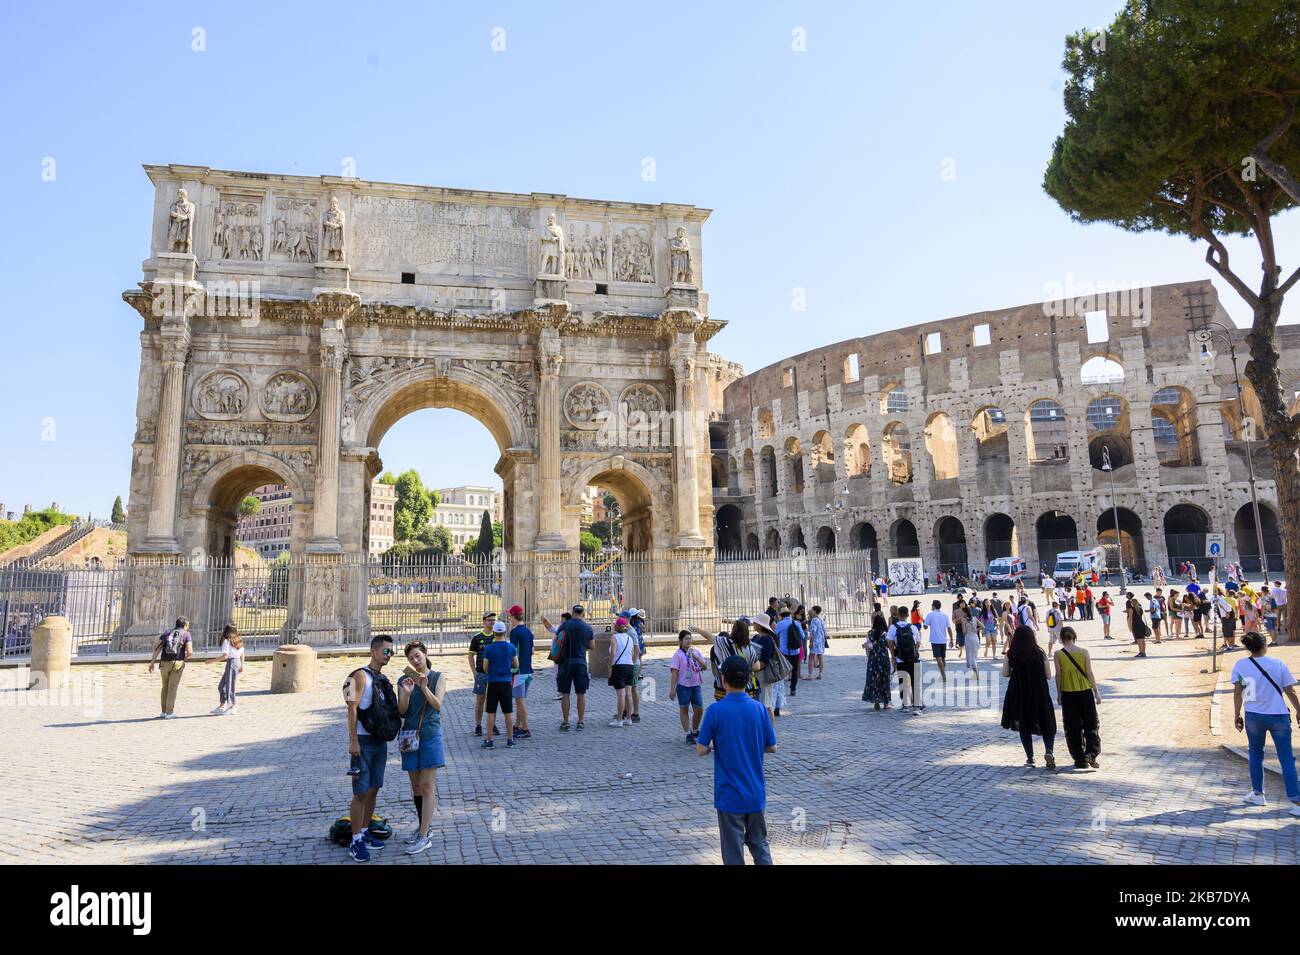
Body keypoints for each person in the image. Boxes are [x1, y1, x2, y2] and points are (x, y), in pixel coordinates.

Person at [696, 655, 778, 865]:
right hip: (755, 792)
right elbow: (772, 747)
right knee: (759, 844)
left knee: (733, 852)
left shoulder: (715, 711)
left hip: (729, 794)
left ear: (723, 680)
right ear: (749, 679)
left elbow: (701, 749)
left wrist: (718, 743)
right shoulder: (759, 709)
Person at [1232, 630, 1300, 814]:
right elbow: (1290, 691)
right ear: (1264, 645)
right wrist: (1299, 711)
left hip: (1253, 714)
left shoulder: (1240, 665)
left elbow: (1238, 692)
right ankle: (1296, 801)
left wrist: (1237, 714)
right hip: (1278, 715)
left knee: (1255, 754)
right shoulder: (1277, 663)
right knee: (1286, 757)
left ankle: (1258, 794)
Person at [344, 634, 399, 863]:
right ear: (374, 651)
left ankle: (365, 831)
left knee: (374, 787)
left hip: (379, 741)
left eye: (392, 651)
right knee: (360, 792)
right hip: (363, 742)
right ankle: (355, 840)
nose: (390, 655)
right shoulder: (360, 676)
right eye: (386, 651)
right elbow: (351, 709)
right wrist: (353, 740)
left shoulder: (383, 678)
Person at [396, 640, 446, 855]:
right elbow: (402, 712)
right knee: (416, 788)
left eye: (417, 656)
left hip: (430, 735)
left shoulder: (437, 677)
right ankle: (424, 828)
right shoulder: (404, 679)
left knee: (426, 786)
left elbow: (437, 705)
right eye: (411, 658)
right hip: (409, 737)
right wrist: (406, 693)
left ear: (425, 654)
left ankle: (424, 836)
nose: (415, 661)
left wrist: (424, 688)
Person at [1000, 625, 1057, 770]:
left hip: (1019, 693)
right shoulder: (1040, 653)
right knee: (1047, 723)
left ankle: (1030, 758)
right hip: (1039, 692)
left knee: (1023, 725)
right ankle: (1049, 751)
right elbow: (1049, 675)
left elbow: (1005, 674)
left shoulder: (1011, 654)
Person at [1053, 627, 1101, 769]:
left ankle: (1079, 759)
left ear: (1062, 638)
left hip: (1068, 693)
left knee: (1072, 727)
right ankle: (1091, 754)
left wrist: (1059, 693)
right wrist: (1096, 691)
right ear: (1075, 636)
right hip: (1085, 691)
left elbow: (1058, 675)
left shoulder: (1058, 654)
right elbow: (1089, 673)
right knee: (1091, 724)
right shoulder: (1084, 652)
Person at [554, 604, 594, 731]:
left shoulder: (564, 625)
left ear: (572, 612)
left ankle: (565, 722)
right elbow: (592, 646)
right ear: (582, 613)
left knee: (565, 693)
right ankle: (580, 721)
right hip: (581, 662)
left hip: (565, 663)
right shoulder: (587, 628)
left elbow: (557, 641)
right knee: (581, 693)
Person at [481, 620, 518, 749]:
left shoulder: (489, 648)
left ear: (494, 632)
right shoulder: (511, 647)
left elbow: (485, 667)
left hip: (493, 682)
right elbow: (516, 664)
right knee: (508, 712)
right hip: (506, 682)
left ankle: (490, 740)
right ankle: (510, 739)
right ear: (505, 632)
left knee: (491, 712)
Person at [148, 616, 192, 719]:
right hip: (177, 663)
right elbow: (190, 651)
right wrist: (184, 658)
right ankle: (170, 712)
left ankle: (163, 711)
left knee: (165, 687)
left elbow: (156, 647)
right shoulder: (186, 634)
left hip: (164, 663)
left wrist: (152, 662)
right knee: (173, 687)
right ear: (185, 625)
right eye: (187, 626)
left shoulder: (167, 632)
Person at [668, 629, 709, 742]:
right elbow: (674, 672)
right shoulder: (678, 655)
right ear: (680, 641)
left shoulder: (696, 652)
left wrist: (695, 658)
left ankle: (695, 730)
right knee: (684, 708)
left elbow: (705, 667)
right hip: (683, 686)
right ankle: (688, 733)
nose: (688, 641)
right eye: (686, 639)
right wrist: (672, 689)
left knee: (699, 709)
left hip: (696, 685)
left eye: (690, 638)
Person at [506, 605, 534, 739]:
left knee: (519, 701)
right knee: (520, 700)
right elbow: (532, 650)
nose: (509, 618)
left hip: (519, 671)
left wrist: (511, 669)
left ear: (513, 616)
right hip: (528, 670)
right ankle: (517, 725)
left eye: (509, 616)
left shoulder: (514, 632)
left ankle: (526, 728)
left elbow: (513, 652)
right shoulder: (528, 631)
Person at [466, 612, 497, 736]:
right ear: (484, 621)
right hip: (481, 674)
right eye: (490, 620)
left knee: (493, 700)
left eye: (494, 620)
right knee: (480, 700)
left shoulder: (498, 636)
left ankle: (492, 724)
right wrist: (474, 672)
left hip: (495, 674)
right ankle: (478, 725)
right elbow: (470, 655)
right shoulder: (477, 637)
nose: (492, 622)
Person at [607, 617, 640, 727]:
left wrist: (609, 666)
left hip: (619, 666)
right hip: (629, 666)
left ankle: (619, 720)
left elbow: (613, 653)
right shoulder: (629, 638)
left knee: (621, 695)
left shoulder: (614, 637)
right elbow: (632, 653)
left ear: (616, 626)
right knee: (628, 694)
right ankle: (628, 719)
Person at [887, 607, 921, 712]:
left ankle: (905, 705)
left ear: (898, 615)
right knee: (915, 682)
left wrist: (893, 656)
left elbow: (890, 642)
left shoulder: (893, 628)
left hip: (900, 659)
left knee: (903, 682)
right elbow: (918, 643)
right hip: (913, 659)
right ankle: (916, 707)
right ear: (907, 616)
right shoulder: (913, 628)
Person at [211, 623, 243, 716]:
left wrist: (211, 661)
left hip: (232, 662)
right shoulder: (237, 639)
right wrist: (241, 665)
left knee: (229, 686)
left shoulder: (227, 641)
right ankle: (222, 705)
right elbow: (242, 653)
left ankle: (232, 706)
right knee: (222, 686)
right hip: (236, 662)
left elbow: (225, 656)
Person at [862, 613, 893, 710]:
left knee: (874, 679)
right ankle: (886, 703)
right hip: (883, 659)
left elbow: (868, 647)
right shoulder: (886, 634)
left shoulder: (870, 633)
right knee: (885, 679)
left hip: (873, 659)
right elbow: (890, 646)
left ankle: (876, 700)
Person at [775, 607, 805, 699]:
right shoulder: (796, 623)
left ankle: (781, 689)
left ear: (781, 615)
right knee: (794, 670)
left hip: (783, 651)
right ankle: (793, 689)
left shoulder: (780, 624)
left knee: (782, 670)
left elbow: (775, 635)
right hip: (795, 650)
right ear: (790, 614)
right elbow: (803, 636)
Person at [923, 599, 952, 681]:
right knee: (943, 658)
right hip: (943, 639)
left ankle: (943, 675)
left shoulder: (930, 615)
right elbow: (949, 628)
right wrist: (952, 639)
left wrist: (924, 621)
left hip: (935, 639)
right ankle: (943, 672)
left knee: (938, 658)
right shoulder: (945, 615)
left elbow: (925, 627)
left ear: (933, 606)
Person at [806, 605, 827, 679]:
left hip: (815, 640)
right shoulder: (821, 619)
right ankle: (820, 673)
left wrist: (811, 641)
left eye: (812, 609)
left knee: (811, 657)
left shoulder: (814, 620)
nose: (811, 611)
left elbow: (813, 632)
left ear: (815, 611)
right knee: (820, 657)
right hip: (821, 640)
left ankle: (810, 675)